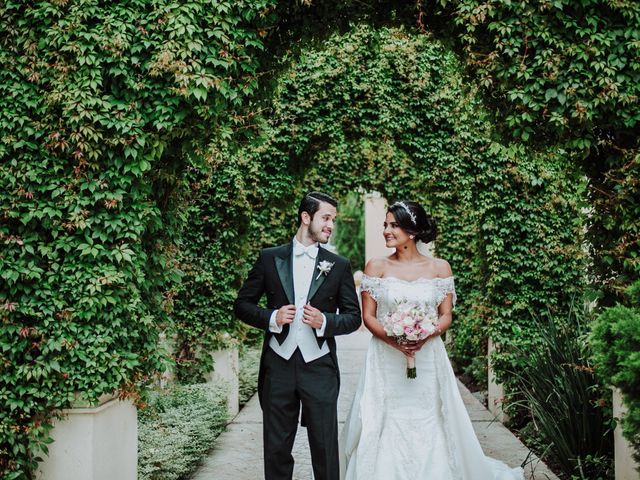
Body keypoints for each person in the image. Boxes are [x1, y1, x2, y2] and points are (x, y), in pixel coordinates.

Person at [340, 200, 524, 480]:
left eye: (393, 225)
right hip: (385, 358)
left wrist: (424, 335)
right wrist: (395, 340)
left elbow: (446, 315)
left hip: (427, 356)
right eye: (385, 225)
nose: (386, 231)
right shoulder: (376, 267)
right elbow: (370, 317)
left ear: (411, 232)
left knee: (431, 415)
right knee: (384, 415)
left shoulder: (440, 268)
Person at [234, 191, 362, 480]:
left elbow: (353, 318)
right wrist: (272, 317)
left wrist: (325, 321)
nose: (331, 225)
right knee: (277, 447)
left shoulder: (338, 265)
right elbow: (242, 305)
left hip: (320, 366)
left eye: (333, 219)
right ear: (306, 218)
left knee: (325, 447)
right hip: (278, 365)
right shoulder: (270, 258)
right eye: (326, 218)